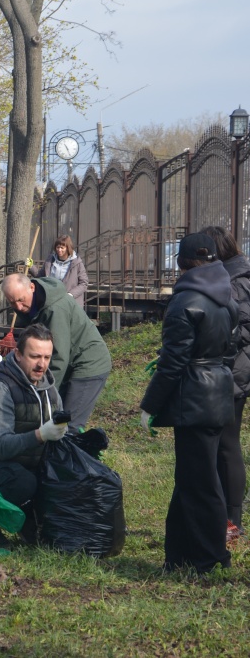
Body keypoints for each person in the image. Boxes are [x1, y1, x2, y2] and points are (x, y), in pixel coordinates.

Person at [140, 232, 236, 574]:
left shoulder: (184, 302)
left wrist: (150, 404)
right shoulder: (225, 295)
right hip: (218, 393)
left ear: (182, 263)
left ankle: (210, 559)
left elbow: (172, 362)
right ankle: (178, 556)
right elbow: (231, 342)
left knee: (201, 485)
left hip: (194, 398)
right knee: (190, 478)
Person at [0, 324, 67, 540]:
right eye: (35, 356)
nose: (42, 365)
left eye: (47, 357)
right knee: (24, 482)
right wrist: (41, 435)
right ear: (18, 354)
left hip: (26, 464)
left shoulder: (47, 387)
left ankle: (28, 519)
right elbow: (2, 447)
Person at [2, 273, 111, 432]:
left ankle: (75, 454)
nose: (18, 307)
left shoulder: (54, 309)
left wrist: (42, 392)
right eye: (12, 302)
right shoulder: (31, 304)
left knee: (68, 424)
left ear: (32, 287)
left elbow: (57, 358)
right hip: (70, 362)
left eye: (20, 300)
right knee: (55, 420)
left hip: (88, 363)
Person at [202, 226, 249, 542]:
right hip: (226, 371)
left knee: (228, 446)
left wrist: (212, 339)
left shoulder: (236, 283)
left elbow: (243, 329)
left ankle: (233, 519)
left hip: (233, 372)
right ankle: (224, 515)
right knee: (221, 446)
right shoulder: (229, 278)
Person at [31, 235, 88, 305]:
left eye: (62, 248)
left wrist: (71, 294)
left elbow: (84, 283)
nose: (59, 250)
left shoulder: (76, 263)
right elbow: (40, 277)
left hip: (70, 303)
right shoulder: (50, 260)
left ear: (67, 248)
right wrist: (31, 266)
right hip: (52, 300)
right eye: (58, 247)